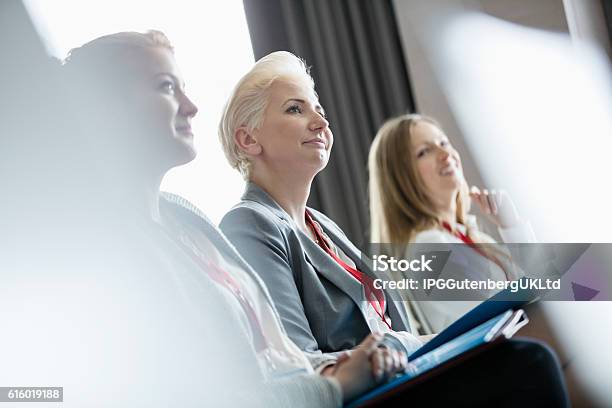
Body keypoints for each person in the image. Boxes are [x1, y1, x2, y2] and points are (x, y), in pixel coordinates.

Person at [0, 30, 409, 407]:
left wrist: (380, 353)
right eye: (165, 87)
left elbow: (284, 357)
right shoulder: (102, 248)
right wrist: (344, 379)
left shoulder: (185, 218)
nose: (192, 107)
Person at [218, 51, 425, 359]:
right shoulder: (249, 225)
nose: (321, 122)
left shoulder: (323, 225)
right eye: (294, 109)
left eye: (319, 110)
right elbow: (300, 363)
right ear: (248, 140)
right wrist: (406, 345)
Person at [368, 113, 537, 333]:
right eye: (424, 152)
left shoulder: (464, 235)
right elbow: (495, 319)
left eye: (443, 143)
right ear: (401, 179)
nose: (445, 154)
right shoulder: (428, 246)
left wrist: (511, 226)